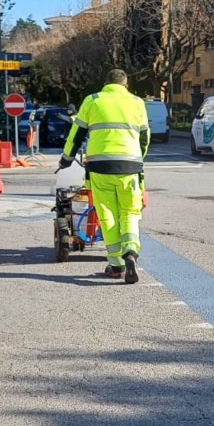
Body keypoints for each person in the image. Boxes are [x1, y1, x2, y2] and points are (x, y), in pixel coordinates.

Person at [60, 69, 150, 284]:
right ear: (126, 84)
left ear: (106, 83)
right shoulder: (137, 102)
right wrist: (138, 158)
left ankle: (117, 265)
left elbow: (77, 134)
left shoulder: (92, 100)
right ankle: (130, 251)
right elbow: (145, 136)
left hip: (100, 166)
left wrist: (66, 158)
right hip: (130, 165)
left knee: (107, 214)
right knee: (129, 211)